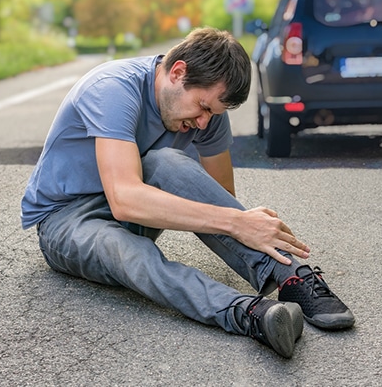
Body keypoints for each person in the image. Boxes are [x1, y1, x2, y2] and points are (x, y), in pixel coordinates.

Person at [21, 27, 355, 359]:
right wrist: (237, 221)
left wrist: (241, 224)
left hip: (132, 207)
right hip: (65, 220)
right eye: (202, 107)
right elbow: (124, 199)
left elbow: (216, 194)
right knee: (127, 250)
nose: (204, 123)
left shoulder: (206, 116)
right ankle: (250, 314)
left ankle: (292, 278)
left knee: (166, 161)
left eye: (214, 113)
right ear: (178, 72)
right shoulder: (111, 89)